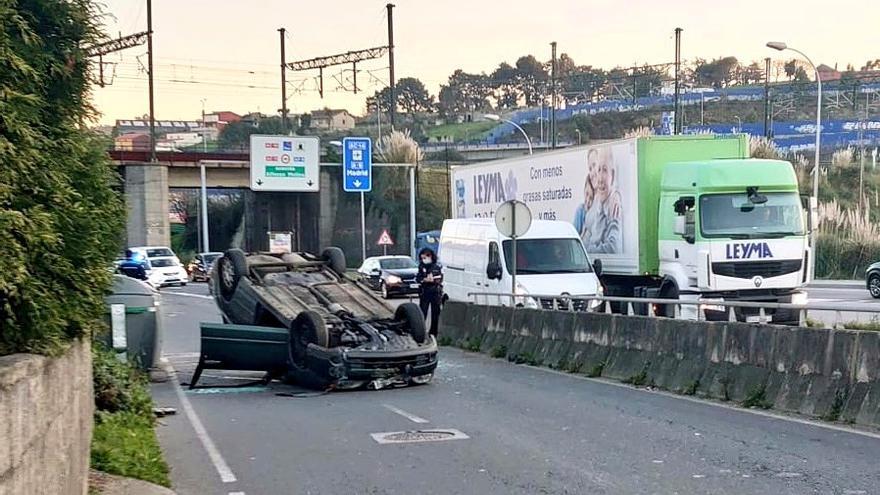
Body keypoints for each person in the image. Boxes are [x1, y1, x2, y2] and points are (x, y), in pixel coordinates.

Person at [416, 247, 443, 337]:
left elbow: (440, 278)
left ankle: (433, 332)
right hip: (425, 292)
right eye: (422, 258)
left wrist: (433, 280)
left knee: (435, 313)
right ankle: (421, 332)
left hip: (435, 292)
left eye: (426, 257)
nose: (424, 260)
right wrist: (424, 280)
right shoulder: (421, 267)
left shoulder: (436, 267)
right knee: (422, 312)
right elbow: (418, 278)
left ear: (431, 256)